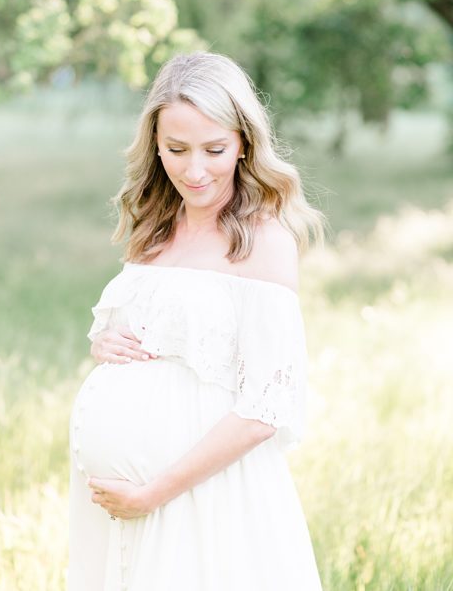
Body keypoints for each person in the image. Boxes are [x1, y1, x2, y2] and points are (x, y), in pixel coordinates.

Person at [68, 52, 325, 590]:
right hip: (120, 507)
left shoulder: (264, 242)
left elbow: (266, 407)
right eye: (176, 150)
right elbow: (161, 337)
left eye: (215, 149)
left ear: (243, 145)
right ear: (155, 144)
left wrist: (153, 492)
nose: (195, 170)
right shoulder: (155, 229)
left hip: (204, 498)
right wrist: (107, 345)